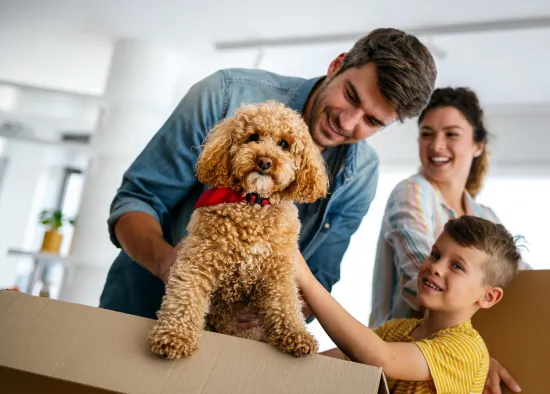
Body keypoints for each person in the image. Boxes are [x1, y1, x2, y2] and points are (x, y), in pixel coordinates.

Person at [98, 28, 437, 326]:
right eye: (350, 96)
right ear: (337, 64)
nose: (347, 123)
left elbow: (320, 276)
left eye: (372, 122)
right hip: (138, 314)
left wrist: (275, 309)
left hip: (235, 351)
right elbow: (138, 200)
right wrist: (168, 264)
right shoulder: (223, 96)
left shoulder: (362, 174)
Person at [369, 87, 528, 393]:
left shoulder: (485, 215)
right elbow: (418, 270)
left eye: (451, 134)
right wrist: (472, 356)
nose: (436, 145)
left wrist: (471, 356)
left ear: (478, 145)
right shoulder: (413, 192)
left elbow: (518, 277)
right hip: (400, 351)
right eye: (426, 134)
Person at [295, 215, 523, 394]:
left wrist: (306, 280)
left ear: (488, 297)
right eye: (435, 254)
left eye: (457, 266)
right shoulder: (396, 330)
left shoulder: (466, 349)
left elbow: (381, 358)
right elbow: (326, 363)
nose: (436, 267)